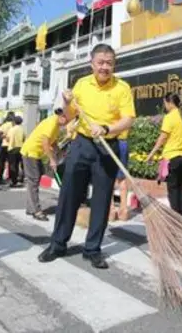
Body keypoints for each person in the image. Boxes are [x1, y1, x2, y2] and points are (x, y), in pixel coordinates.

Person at [39, 44, 136, 270]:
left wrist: (106, 128)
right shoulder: (82, 84)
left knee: (102, 200)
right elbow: (68, 117)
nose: (104, 67)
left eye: (109, 63)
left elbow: (128, 119)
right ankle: (58, 244)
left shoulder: (122, 88)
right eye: (100, 62)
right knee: (69, 195)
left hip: (106, 145)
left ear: (114, 65)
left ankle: (92, 249)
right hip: (81, 145)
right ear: (91, 63)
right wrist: (65, 102)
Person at [144, 93, 182, 219]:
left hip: (172, 157)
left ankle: (176, 218)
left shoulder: (170, 117)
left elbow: (162, 138)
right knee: (180, 186)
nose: (164, 106)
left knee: (173, 189)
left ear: (169, 102)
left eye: (165, 103)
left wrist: (151, 154)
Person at [21, 108, 67, 221]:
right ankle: (36, 211)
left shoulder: (56, 125)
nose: (67, 122)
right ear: (61, 116)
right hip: (31, 152)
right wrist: (52, 159)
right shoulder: (52, 123)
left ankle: (30, 207)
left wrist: (58, 152)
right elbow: (45, 142)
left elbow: (53, 141)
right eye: (67, 118)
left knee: (34, 179)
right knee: (33, 180)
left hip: (36, 154)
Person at [0, 112, 15, 182]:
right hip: (12, 146)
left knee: (2, 162)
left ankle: (0, 177)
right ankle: (10, 177)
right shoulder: (14, 125)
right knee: (11, 162)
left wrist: (3, 136)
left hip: (4, 145)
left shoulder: (4, 125)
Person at [6, 115, 25, 186]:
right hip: (20, 148)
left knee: (12, 165)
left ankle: (13, 180)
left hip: (12, 148)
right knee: (19, 164)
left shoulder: (12, 129)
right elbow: (24, 138)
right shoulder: (22, 129)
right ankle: (20, 178)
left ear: (14, 122)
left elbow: (8, 138)